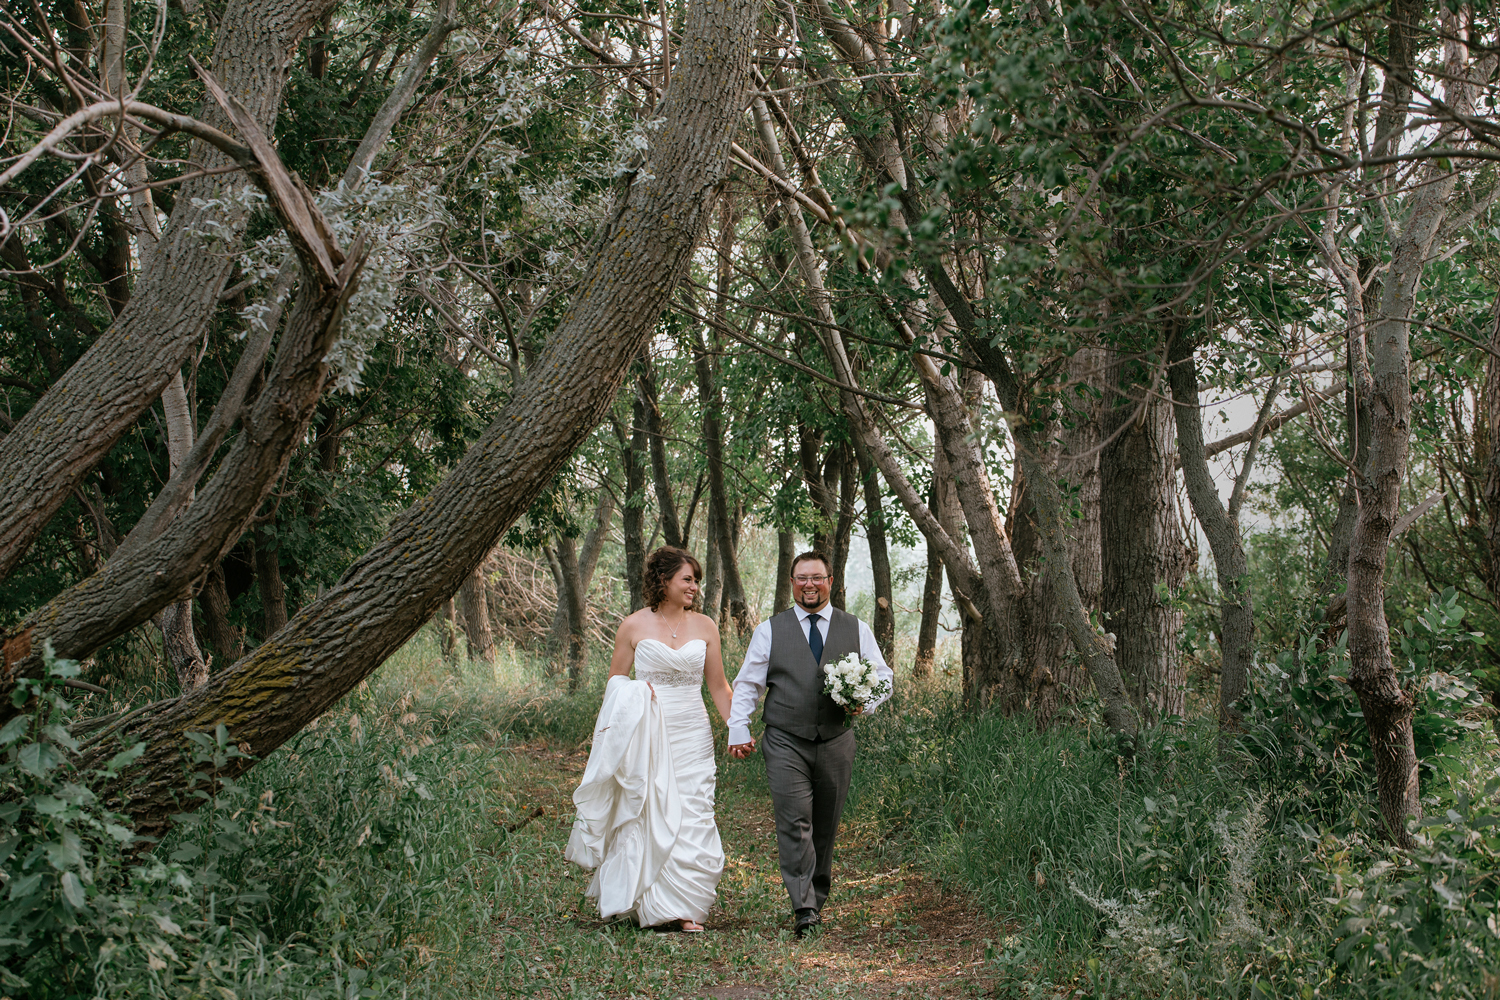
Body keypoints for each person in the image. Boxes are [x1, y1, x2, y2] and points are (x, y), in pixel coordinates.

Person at [726, 550, 893, 937]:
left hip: (836, 741)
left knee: (824, 826)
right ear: (792, 582)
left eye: (817, 578)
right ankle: (803, 908)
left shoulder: (855, 628)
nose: (809, 585)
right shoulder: (770, 630)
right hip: (785, 739)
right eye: (801, 578)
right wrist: (739, 727)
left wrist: (863, 701)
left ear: (830, 581)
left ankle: (816, 898)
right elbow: (749, 683)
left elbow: (883, 676)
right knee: (794, 819)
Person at [565, 547, 732, 932]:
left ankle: (688, 906)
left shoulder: (706, 627)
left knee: (694, 810)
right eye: (687, 579)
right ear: (663, 581)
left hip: (692, 732)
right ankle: (649, 904)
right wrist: (637, 694)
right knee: (647, 810)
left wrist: (738, 729)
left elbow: (719, 688)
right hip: (649, 731)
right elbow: (616, 680)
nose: (694, 587)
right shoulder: (634, 626)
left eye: (696, 580)